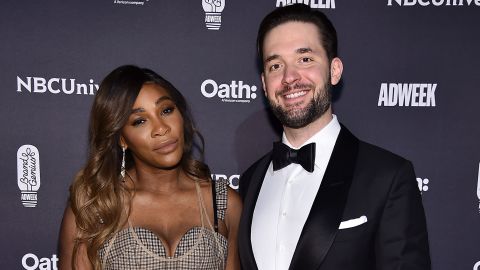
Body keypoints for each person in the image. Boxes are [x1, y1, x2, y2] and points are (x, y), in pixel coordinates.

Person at [238, 4, 431, 270]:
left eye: (304, 59)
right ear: (263, 83)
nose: (289, 77)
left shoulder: (388, 177)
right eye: (275, 65)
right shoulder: (250, 182)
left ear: (334, 70)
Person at [58, 65, 242, 270]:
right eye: (140, 121)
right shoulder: (94, 205)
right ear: (122, 139)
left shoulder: (224, 203)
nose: (161, 128)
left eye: (166, 110)